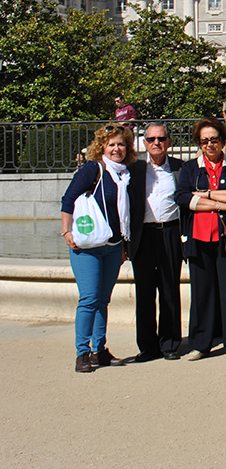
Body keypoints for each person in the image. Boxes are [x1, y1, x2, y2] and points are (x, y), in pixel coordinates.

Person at [61, 123, 137, 373]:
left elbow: (122, 214)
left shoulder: (124, 174)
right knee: (89, 299)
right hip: (88, 246)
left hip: (113, 246)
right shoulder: (93, 169)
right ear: (102, 147)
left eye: (121, 144)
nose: (117, 149)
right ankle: (82, 353)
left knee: (103, 300)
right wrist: (66, 231)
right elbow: (68, 199)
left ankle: (99, 350)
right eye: (111, 144)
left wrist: (124, 245)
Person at [174, 118, 226, 361]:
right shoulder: (190, 168)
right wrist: (219, 203)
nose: (209, 144)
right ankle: (201, 344)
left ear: (222, 141)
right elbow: (184, 198)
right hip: (198, 236)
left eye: (214, 140)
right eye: (204, 140)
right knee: (202, 292)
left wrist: (205, 195)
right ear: (199, 143)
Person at [126, 122, 183, 363]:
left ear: (169, 141)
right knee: (145, 292)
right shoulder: (134, 170)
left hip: (171, 232)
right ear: (145, 143)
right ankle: (148, 347)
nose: (156, 143)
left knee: (170, 289)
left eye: (161, 139)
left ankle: (169, 343)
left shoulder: (181, 168)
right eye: (151, 139)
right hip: (144, 235)